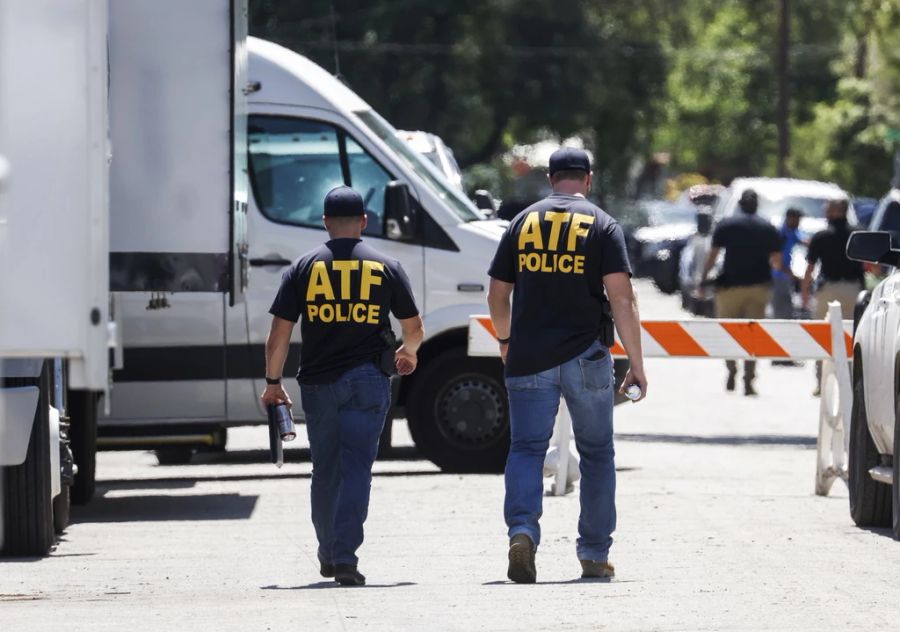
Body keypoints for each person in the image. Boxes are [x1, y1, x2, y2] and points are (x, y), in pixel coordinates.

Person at [487, 147, 647, 584]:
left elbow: (497, 296)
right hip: (587, 357)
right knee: (597, 453)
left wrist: (505, 340)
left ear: (551, 177)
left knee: (525, 449)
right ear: (589, 180)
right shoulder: (602, 224)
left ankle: (522, 531)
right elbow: (622, 299)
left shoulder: (522, 224)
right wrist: (635, 362)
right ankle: (594, 554)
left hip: (529, 357)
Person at [261, 185, 424, 586]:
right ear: (364, 223)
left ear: (326, 223)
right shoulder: (386, 265)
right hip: (369, 381)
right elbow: (414, 328)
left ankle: (329, 552)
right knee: (356, 471)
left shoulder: (303, 268)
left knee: (325, 471)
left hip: (319, 383)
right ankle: (346, 557)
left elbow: (279, 333)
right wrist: (410, 352)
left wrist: (272, 383)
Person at [699, 189, 782, 395]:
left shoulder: (726, 225)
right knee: (753, 335)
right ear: (756, 205)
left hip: (729, 287)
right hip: (758, 287)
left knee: (728, 332)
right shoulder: (767, 227)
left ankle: (731, 369)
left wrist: (703, 280)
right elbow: (777, 261)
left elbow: (712, 256)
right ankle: (749, 379)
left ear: (740, 204)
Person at [801, 198, 863, 395]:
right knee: (853, 337)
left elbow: (810, 268)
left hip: (828, 289)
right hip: (853, 290)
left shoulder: (821, 236)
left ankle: (821, 384)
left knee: (823, 335)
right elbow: (873, 267)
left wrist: (804, 291)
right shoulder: (859, 233)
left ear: (832, 212)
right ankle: (852, 382)